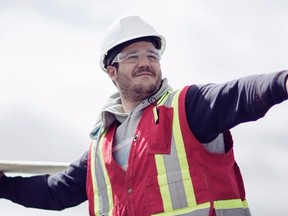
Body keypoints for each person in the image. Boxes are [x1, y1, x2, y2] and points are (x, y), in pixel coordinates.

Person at [0, 15, 287, 216]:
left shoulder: (187, 108)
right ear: (111, 71)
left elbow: (240, 93)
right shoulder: (101, 147)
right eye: (132, 56)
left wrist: (281, 82)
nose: (145, 62)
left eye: (151, 55)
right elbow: (56, 191)